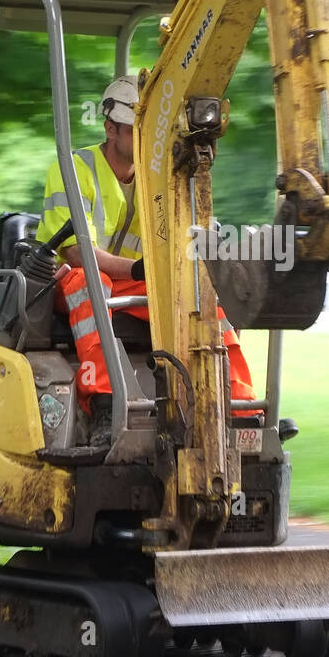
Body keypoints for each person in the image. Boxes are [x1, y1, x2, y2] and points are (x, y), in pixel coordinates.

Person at [38, 74, 257, 446]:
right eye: (134, 130)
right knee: (89, 284)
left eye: (149, 131)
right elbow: (76, 252)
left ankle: (240, 408)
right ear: (110, 128)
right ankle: (107, 405)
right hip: (68, 280)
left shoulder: (156, 177)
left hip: (132, 283)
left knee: (205, 301)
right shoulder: (74, 168)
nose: (144, 140)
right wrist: (138, 270)